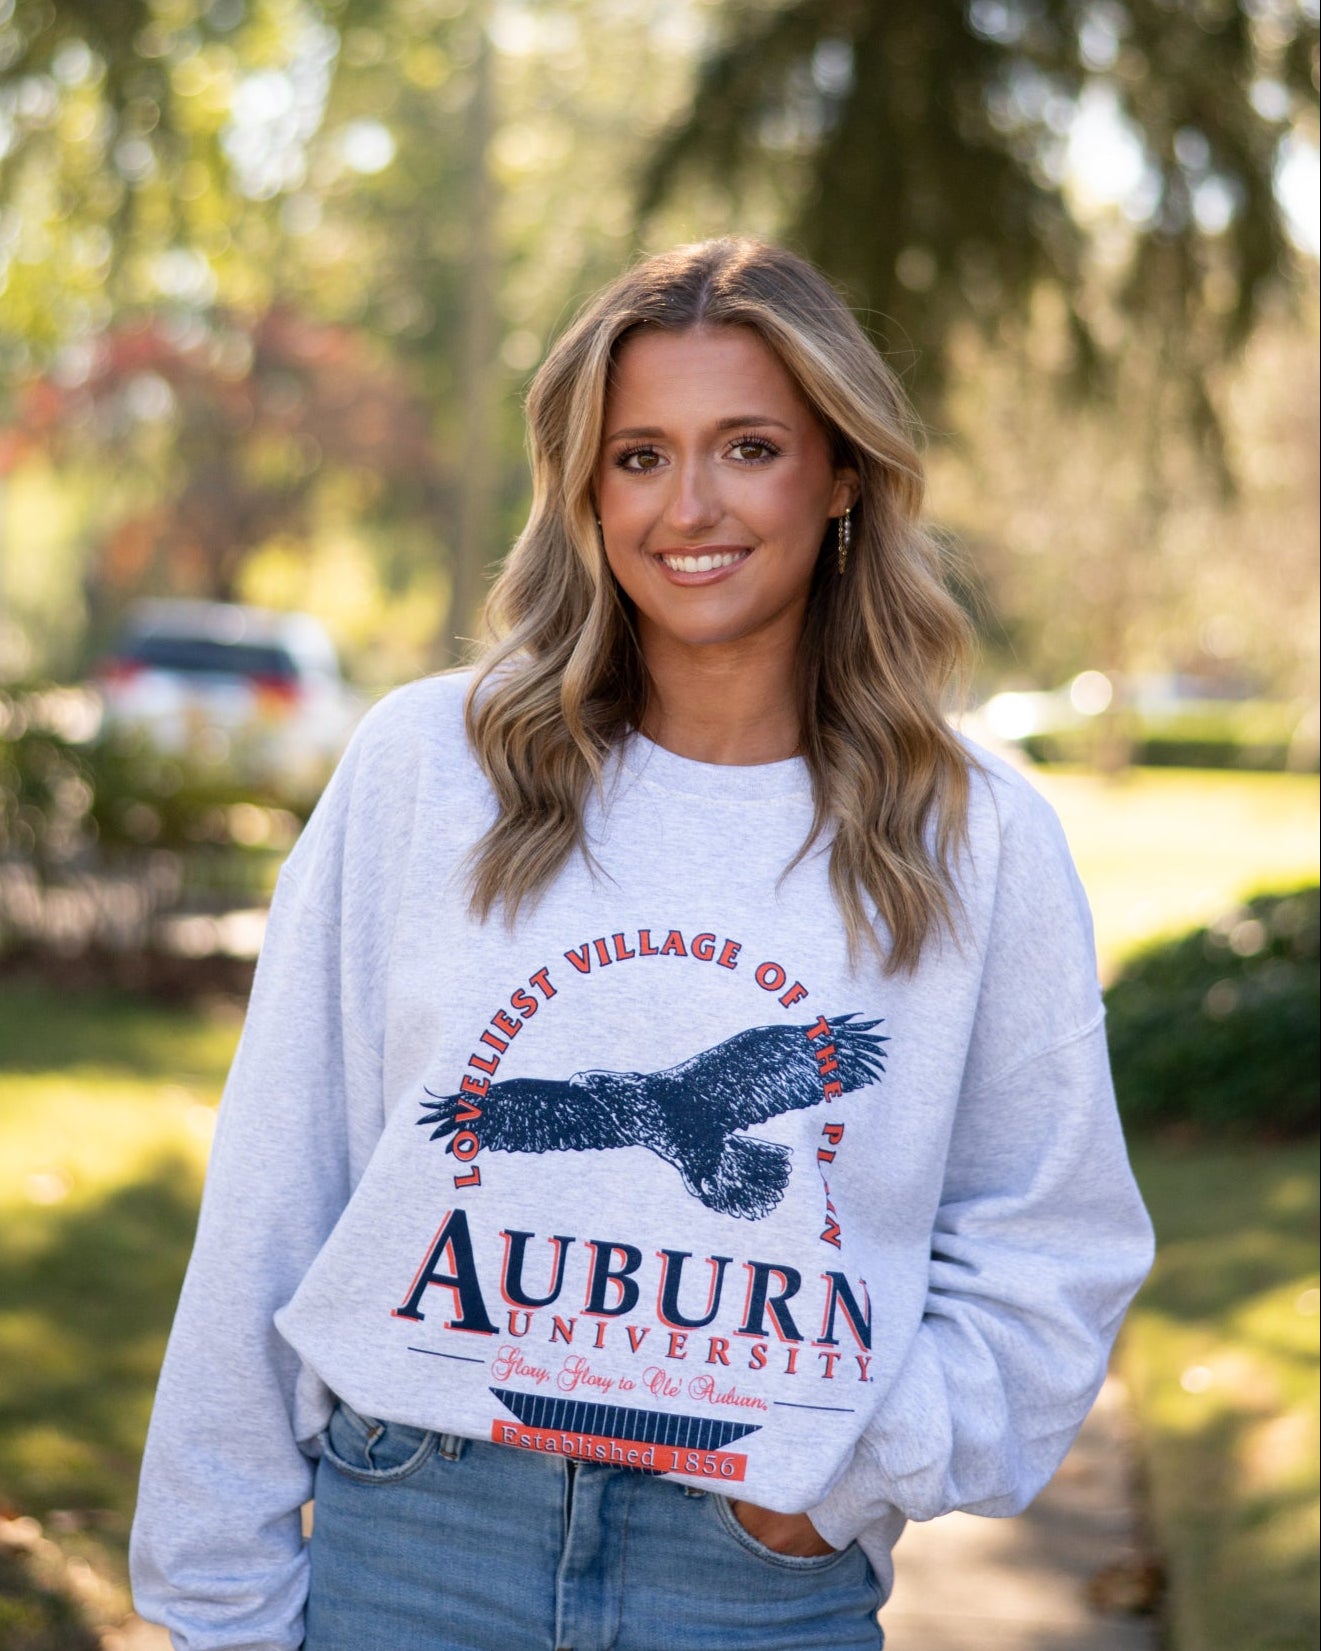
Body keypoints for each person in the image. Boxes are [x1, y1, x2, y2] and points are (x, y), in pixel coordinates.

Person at [131, 238, 1154, 1651]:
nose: (690, 506)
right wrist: (213, 1603)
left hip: (749, 1579)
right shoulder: (431, 769)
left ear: (840, 473)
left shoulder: (969, 834)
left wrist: (846, 1470)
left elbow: (1054, 1244)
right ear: (583, 489)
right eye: (638, 457)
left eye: (747, 448)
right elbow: (272, 1190)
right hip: (417, 1540)